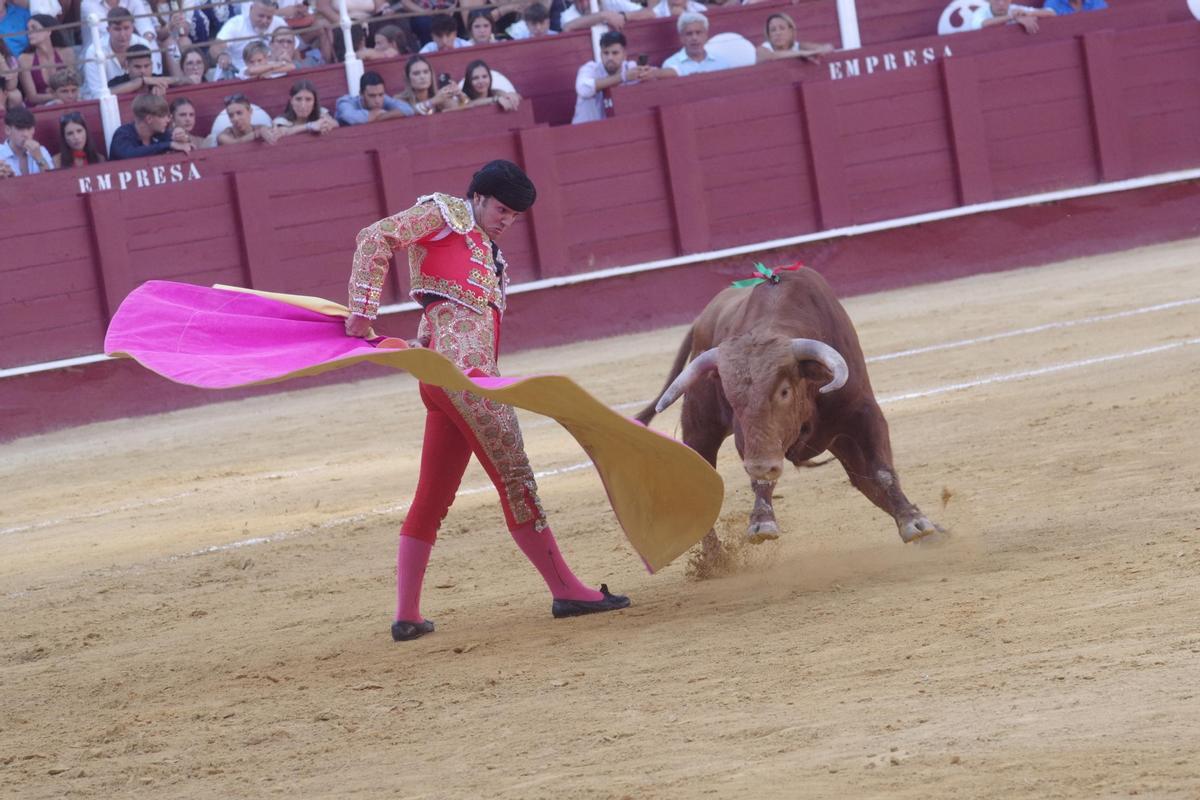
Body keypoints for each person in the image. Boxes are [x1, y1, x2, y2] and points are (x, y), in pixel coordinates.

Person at [343, 159, 632, 641]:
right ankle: (567, 590)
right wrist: (361, 314)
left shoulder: (483, 247)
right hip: (468, 381)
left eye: (515, 215)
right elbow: (376, 236)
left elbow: (442, 308)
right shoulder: (443, 214)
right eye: (502, 209)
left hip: (441, 377)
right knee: (516, 478)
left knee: (432, 495)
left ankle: (407, 615)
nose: (507, 220)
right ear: (477, 197)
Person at [572, 30, 655, 124]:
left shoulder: (630, 67)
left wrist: (651, 74)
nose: (610, 58)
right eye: (606, 53)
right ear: (600, 54)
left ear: (624, 54)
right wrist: (622, 77)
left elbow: (661, 73)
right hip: (584, 132)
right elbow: (583, 89)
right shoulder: (590, 69)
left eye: (615, 53)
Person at [81, 7, 159, 99]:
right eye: (117, 29)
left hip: (138, 98)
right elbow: (97, 94)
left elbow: (153, 79)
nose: (122, 34)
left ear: (133, 28)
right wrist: (135, 84)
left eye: (126, 28)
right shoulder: (95, 51)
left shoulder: (143, 44)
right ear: (108, 29)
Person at [212, 0, 291, 72]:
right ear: (251, 9)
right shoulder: (235, 24)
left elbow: (294, 49)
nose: (264, 21)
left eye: (269, 18)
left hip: (272, 71)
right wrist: (221, 55)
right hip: (237, 73)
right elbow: (216, 46)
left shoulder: (279, 23)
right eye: (261, 16)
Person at [108, 92, 193, 159]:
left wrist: (183, 139)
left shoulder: (161, 133)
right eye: (163, 116)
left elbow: (185, 146)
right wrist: (169, 145)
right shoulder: (123, 133)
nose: (168, 120)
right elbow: (129, 154)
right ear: (149, 119)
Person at [18, 14, 76, 105]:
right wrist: (57, 97)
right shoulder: (24, 59)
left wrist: (60, 96)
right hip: (38, 106)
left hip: (66, 101)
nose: (29, 33)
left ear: (48, 31)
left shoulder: (66, 53)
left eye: (34, 28)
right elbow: (32, 97)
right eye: (28, 29)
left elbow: (72, 85)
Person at [661, 11, 731, 76]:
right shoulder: (670, 64)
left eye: (698, 32)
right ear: (681, 38)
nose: (694, 38)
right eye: (689, 34)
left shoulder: (721, 63)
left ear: (706, 36)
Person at [335, 70, 414, 125]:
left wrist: (383, 116)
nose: (377, 100)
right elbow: (349, 117)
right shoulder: (346, 101)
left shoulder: (384, 98)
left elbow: (408, 109)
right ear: (361, 94)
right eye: (372, 96)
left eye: (380, 95)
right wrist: (373, 115)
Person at [396, 54, 465, 115]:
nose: (422, 77)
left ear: (431, 75)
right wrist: (433, 101)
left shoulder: (440, 96)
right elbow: (408, 112)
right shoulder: (399, 100)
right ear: (408, 78)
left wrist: (460, 97)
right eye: (416, 73)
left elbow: (460, 112)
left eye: (426, 72)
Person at [757, 12, 833, 63]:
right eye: (773, 30)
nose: (778, 33)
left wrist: (816, 52)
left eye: (782, 28)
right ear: (769, 35)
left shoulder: (798, 46)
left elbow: (828, 48)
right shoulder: (763, 48)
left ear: (791, 31)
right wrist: (801, 54)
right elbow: (769, 56)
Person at [0, 106, 54, 175]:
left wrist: (39, 158)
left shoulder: (41, 151)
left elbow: (51, 180)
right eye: (20, 129)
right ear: (8, 130)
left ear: (33, 130)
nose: (25, 134)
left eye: (29, 128)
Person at [273, 78, 337, 135]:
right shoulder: (281, 120)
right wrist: (310, 126)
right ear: (291, 101)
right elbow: (283, 131)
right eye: (298, 99)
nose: (303, 105)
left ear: (314, 102)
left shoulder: (322, 112)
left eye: (308, 99)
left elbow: (336, 123)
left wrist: (325, 124)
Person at [216, 92, 281, 146]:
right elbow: (235, 144)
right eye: (231, 115)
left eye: (239, 113)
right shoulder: (223, 136)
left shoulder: (261, 128)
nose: (235, 119)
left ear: (250, 112)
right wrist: (257, 134)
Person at [108, 43, 175, 94]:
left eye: (146, 66)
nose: (143, 71)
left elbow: (182, 80)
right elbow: (107, 93)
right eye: (137, 67)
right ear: (127, 65)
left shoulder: (158, 79)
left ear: (152, 64)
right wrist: (141, 82)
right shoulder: (117, 82)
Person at [560, 0, 651, 32]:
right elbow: (567, 27)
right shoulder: (567, 15)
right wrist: (604, 16)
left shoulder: (610, 2)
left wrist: (624, 16)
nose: (585, 5)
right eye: (580, 0)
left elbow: (650, 13)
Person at [969, 0, 1055, 33]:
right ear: (989, 1)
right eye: (996, 0)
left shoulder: (1015, 9)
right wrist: (1012, 17)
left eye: (1005, 0)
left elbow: (1051, 13)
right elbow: (983, 24)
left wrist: (1026, 14)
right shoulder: (980, 12)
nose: (1001, 3)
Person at [0, 37, 21, 109]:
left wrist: (2, 62)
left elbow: (11, 86)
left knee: (15, 95)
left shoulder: (10, 59)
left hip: (4, 91)